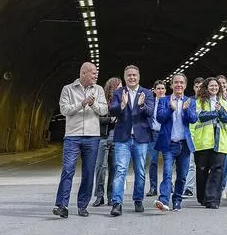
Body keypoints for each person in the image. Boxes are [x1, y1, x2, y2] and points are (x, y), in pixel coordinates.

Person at [53, 62, 108, 218]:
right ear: (83, 73)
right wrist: (81, 104)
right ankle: (62, 205)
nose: (96, 76)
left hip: (92, 136)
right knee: (68, 169)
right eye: (93, 73)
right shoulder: (68, 89)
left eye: (96, 73)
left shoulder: (98, 90)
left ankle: (82, 206)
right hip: (72, 136)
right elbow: (64, 110)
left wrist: (93, 103)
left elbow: (104, 110)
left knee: (89, 172)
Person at [109, 65, 154, 216]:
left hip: (140, 138)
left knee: (140, 171)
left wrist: (141, 105)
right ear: (125, 77)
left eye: (134, 75)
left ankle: (138, 199)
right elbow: (112, 109)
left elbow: (150, 112)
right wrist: (121, 104)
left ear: (139, 77)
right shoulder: (118, 92)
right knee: (120, 170)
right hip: (123, 138)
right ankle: (117, 203)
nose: (132, 77)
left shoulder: (146, 93)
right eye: (129, 75)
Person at [154, 74, 197, 212]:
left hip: (184, 145)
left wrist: (186, 109)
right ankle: (164, 200)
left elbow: (194, 119)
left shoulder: (189, 101)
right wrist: (171, 108)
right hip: (169, 144)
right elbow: (160, 118)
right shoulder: (164, 100)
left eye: (181, 83)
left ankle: (177, 200)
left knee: (182, 176)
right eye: (176, 82)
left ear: (185, 85)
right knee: (167, 173)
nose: (179, 85)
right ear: (171, 85)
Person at [192, 77, 227, 209]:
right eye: (211, 85)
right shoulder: (199, 102)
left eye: (216, 86)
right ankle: (203, 197)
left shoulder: (223, 102)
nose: (214, 88)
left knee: (217, 170)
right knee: (202, 170)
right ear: (206, 87)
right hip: (203, 142)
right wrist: (216, 113)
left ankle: (213, 199)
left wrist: (220, 111)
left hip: (219, 142)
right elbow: (200, 116)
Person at [92, 77, 121, 207]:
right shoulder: (101, 100)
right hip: (102, 138)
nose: (121, 88)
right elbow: (96, 119)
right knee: (100, 168)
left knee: (114, 168)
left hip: (116, 138)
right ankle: (99, 196)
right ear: (113, 87)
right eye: (119, 86)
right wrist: (110, 120)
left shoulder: (122, 100)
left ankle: (110, 196)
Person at [183, 77, 205, 198]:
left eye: (201, 87)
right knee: (191, 164)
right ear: (193, 88)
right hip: (191, 136)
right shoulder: (189, 101)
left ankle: (205, 188)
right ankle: (188, 188)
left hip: (205, 137)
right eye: (196, 87)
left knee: (204, 165)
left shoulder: (207, 101)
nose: (198, 89)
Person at [146, 80, 166, 197]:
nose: (160, 90)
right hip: (153, 134)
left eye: (162, 88)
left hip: (165, 134)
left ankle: (167, 185)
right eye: (158, 88)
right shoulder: (151, 102)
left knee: (167, 161)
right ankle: (153, 187)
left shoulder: (169, 101)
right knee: (153, 161)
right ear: (154, 90)